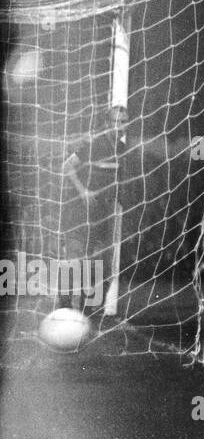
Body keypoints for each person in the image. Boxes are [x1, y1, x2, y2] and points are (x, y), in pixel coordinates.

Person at [60, 104, 128, 312]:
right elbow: (66, 167)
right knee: (76, 259)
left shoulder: (123, 150)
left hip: (103, 213)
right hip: (81, 210)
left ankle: (86, 311)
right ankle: (63, 308)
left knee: (101, 264)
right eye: (115, 121)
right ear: (107, 123)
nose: (120, 126)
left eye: (123, 121)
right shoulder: (94, 144)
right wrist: (83, 191)